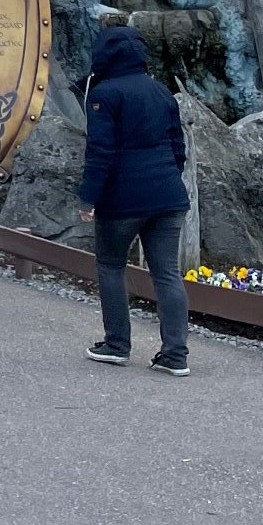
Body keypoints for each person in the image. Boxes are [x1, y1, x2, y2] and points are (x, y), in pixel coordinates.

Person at [79, 26, 191, 375]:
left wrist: (87, 198)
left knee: (111, 265)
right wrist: (167, 179)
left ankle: (116, 344)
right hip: (169, 196)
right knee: (167, 273)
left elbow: (101, 152)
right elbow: (178, 148)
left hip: (123, 200)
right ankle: (175, 354)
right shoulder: (161, 91)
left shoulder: (104, 94)